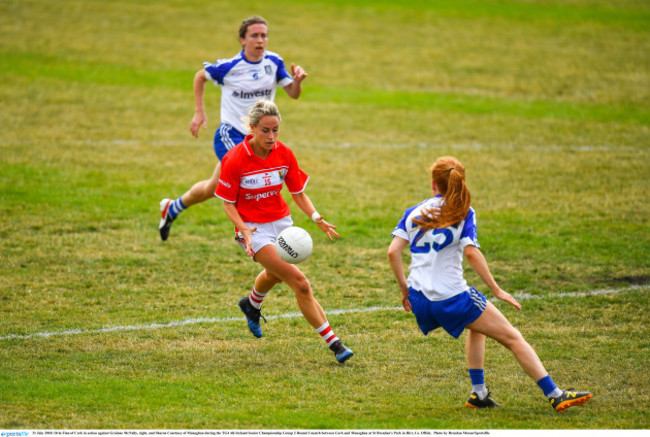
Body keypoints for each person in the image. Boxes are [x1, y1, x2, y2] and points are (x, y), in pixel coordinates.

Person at [387, 156, 592, 412]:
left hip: (419, 300)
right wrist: (497, 289)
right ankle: (556, 394)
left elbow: (393, 252)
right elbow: (471, 253)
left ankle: (478, 394)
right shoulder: (464, 212)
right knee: (513, 339)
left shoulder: (413, 212)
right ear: (460, 182)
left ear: (433, 184)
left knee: (477, 325)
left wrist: (405, 291)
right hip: (452, 300)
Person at [215, 99, 354, 364]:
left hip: (281, 224)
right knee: (299, 282)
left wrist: (316, 218)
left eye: (276, 130)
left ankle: (251, 305)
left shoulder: (284, 154)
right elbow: (227, 203)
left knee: (276, 274)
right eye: (265, 130)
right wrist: (243, 228)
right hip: (253, 229)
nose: (271, 136)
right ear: (253, 128)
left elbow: (297, 192)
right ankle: (335, 344)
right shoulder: (235, 159)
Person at [159, 15, 308, 241]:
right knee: (246, 179)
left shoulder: (274, 63)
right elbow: (200, 77)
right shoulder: (229, 67)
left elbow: (293, 94)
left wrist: (297, 81)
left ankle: (172, 208)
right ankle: (252, 235)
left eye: (264, 35)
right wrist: (199, 111)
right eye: (254, 35)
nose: (260, 40)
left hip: (259, 137)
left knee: (212, 188)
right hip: (231, 134)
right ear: (242, 40)